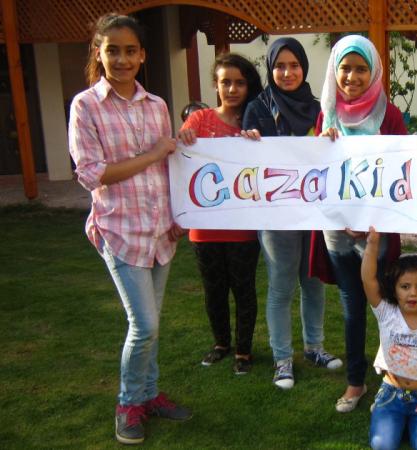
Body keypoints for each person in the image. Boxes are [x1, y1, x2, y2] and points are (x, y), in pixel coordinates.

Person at [68, 13, 190, 445]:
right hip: (120, 230)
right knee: (144, 325)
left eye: (129, 51)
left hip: (159, 230)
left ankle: (149, 395)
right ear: (98, 53)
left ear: (142, 56)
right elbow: (92, 174)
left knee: (152, 324)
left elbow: (169, 164)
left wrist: (178, 213)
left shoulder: (156, 105)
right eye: (112, 50)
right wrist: (154, 152)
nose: (121, 59)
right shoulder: (86, 106)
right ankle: (127, 404)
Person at [242, 37, 342, 389]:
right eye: (280, 66)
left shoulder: (319, 108)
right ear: (270, 69)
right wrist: (246, 141)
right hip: (276, 215)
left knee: (313, 282)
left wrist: (332, 137)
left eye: (294, 65)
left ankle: (314, 347)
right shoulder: (257, 109)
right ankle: (282, 359)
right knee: (282, 285)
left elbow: (331, 154)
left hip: (314, 212)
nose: (287, 73)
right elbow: (247, 161)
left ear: (304, 67)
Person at [315, 34, 407, 412]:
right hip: (337, 231)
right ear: (334, 71)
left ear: (374, 72)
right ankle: (356, 381)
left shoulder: (390, 115)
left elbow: (403, 171)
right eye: (345, 68)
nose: (352, 77)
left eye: (360, 68)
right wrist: (322, 141)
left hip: (375, 232)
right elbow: (317, 174)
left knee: (385, 305)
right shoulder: (327, 113)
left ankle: (394, 377)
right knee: (352, 306)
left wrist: (373, 220)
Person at [177, 53, 263, 374]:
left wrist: (257, 142)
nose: (232, 89)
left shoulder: (255, 122)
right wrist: (184, 138)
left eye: (239, 83)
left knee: (244, 289)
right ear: (216, 85)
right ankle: (220, 344)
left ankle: (243, 350)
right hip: (205, 227)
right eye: (226, 82)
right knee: (214, 290)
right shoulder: (199, 121)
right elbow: (181, 155)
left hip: (242, 227)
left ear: (248, 86)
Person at [362, 227, 417, 450]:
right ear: (394, 288)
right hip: (391, 394)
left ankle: (406, 424)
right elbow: (368, 279)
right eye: (405, 286)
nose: (413, 293)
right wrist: (372, 243)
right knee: (382, 445)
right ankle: (391, 419)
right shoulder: (386, 312)